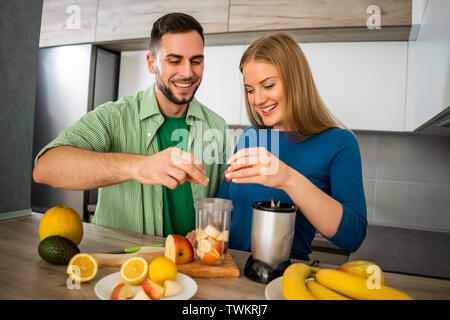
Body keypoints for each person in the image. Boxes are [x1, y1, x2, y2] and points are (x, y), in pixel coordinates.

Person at [33, 13, 229, 237]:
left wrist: (208, 230)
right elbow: (46, 168)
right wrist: (137, 166)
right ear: (151, 63)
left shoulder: (217, 126)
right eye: (174, 60)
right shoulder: (115, 116)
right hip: (123, 267)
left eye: (196, 61)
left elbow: (223, 202)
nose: (187, 72)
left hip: (189, 267)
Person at [217, 32, 367, 261]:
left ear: (296, 81)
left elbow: (352, 236)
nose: (257, 99)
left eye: (268, 85)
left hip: (284, 280)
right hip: (229, 270)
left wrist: (287, 178)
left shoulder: (340, 143)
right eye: (250, 90)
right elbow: (221, 209)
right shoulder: (249, 137)